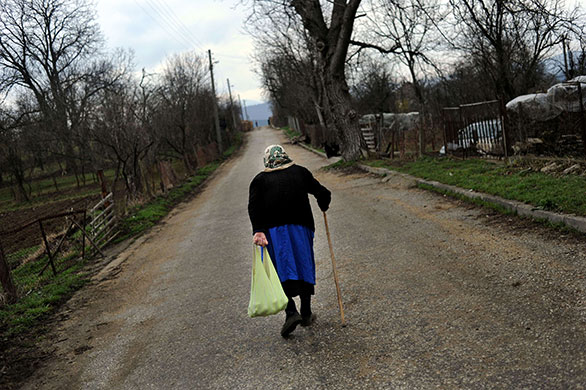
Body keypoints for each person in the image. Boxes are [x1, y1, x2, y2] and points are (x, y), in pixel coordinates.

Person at [248, 145, 331, 338]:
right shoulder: (300, 172)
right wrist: (323, 204)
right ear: (286, 157)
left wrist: (258, 230)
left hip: (274, 233)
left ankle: (291, 312)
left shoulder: (260, 181)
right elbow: (323, 192)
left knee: (281, 270)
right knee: (304, 266)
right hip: (301, 229)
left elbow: (254, 207)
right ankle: (307, 312)